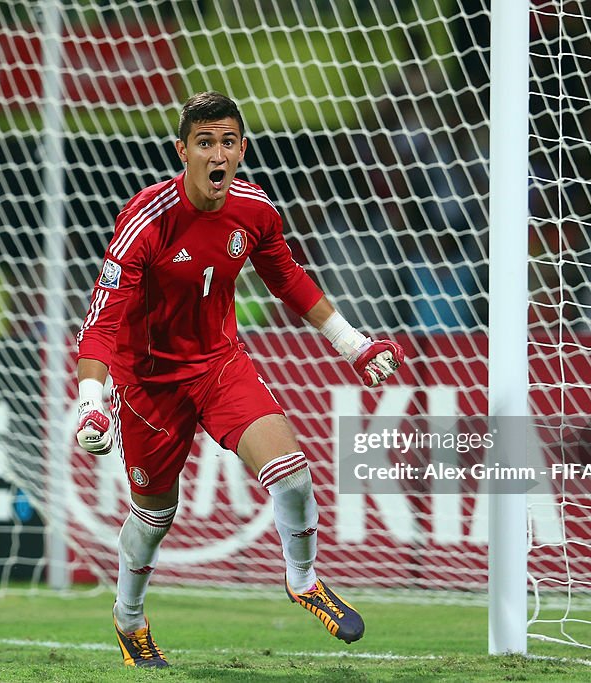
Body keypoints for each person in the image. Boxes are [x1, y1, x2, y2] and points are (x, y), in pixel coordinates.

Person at [73, 92, 404, 669]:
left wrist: (352, 343)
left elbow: (288, 279)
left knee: (294, 476)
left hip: (221, 365)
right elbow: (101, 321)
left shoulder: (255, 210)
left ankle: (303, 581)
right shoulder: (145, 221)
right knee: (154, 518)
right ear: (183, 151)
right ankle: (129, 620)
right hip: (150, 385)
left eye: (228, 142)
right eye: (205, 143)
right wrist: (91, 402)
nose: (217, 153)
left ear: (242, 149)